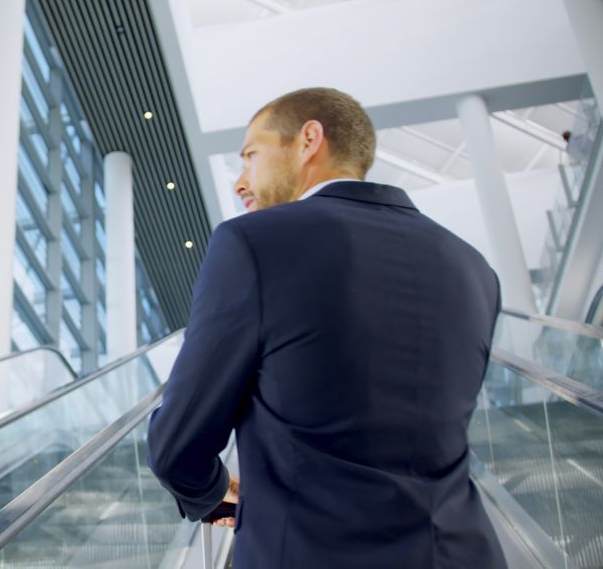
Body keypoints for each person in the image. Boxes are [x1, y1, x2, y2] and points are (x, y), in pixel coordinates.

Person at [146, 87, 506, 568]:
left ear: (308, 139)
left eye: (252, 155)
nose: (240, 181)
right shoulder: (473, 267)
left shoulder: (252, 242)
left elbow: (177, 444)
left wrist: (211, 493)